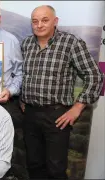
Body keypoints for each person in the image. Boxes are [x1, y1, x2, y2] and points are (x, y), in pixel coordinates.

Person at [21, 5, 104, 179]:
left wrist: (77, 108)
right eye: (35, 21)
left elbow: (94, 75)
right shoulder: (26, 44)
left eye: (45, 20)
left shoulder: (71, 43)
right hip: (30, 114)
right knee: (34, 165)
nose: (39, 25)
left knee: (56, 168)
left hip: (57, 116)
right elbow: (23, 74)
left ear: (55, 21)